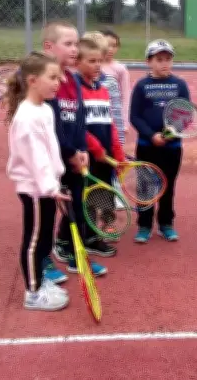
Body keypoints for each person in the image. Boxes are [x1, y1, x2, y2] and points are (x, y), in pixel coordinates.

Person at [5, 51, 72, 311]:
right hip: (35, 190)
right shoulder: (26, 117)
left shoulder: (44, 109)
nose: (59, 82)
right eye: (52, 77)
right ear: (32, 80)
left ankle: (41, 281)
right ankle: (32, 293)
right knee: (34, 240)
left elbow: (49, 152)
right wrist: (51, 188)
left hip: (46, 187)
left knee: (45, 239)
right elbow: (36, 158)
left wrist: (55, 181)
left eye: (59, 77)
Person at [41, 21, 108, 279]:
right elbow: (53, 124)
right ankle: (43, 259)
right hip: (51, 159)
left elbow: (79, 118)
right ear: (49, 47)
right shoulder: (47, 80)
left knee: (78, 208)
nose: (74, 49)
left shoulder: (73, 79)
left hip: (74, 157)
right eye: (68, 44)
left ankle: (75, 255)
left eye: (76, 43)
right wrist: (70, 152)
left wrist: (82, 150)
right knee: (46, 212)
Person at [129, 39, 190, 243]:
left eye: (168, 59)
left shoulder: (180, 85)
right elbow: (135, 116)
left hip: (172, 148)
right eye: (159, 59)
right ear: (149, 62)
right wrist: (151, 135)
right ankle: (144, 225)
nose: (165, 63)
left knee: (168, 185)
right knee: (146, 186)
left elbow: (185, 114)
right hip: (147, 147)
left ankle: (166, 223)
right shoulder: (142, 86)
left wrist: (170, 134)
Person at [76, 38, 126, 247]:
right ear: (77, 62)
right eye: (91, 61)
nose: (97, 65)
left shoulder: (102, 89)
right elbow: (79, 127)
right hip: (88, 155)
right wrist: (96, 149)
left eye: (99, 61)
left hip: (106, 155)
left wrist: (118, 154)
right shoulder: (76, 90)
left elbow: (110, 125)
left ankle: (107, 223)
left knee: (106, 191)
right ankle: (89, 233)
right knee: (87, 193)